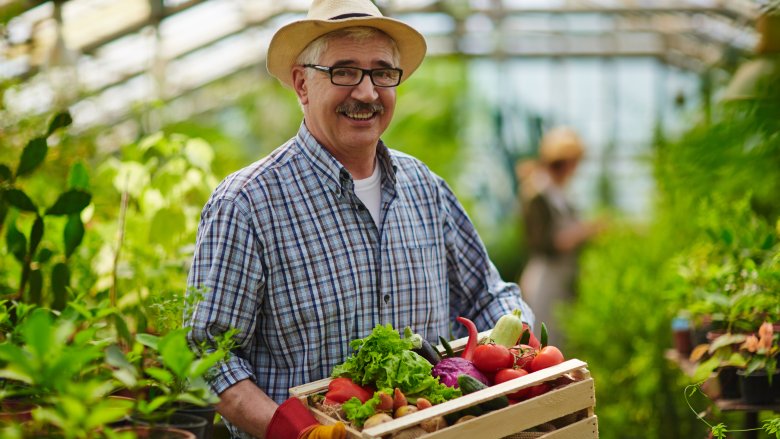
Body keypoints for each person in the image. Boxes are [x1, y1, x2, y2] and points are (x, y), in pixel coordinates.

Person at [184, 0, 535, 437]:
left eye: (382, 73)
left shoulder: (424, 188)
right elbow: (206, 353)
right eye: (344, 71)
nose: (367, 93)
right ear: (302, 84)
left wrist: (525, 354)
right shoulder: (247, 204)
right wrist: (295, 431)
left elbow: (489, 296)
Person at [517, 127, 602, 347]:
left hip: (562, 276)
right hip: (546, 278)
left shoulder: (559, 192)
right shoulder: (537, 194)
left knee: (562, 338)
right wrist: (581, 233)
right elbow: (540, 241)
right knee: (547, 341)